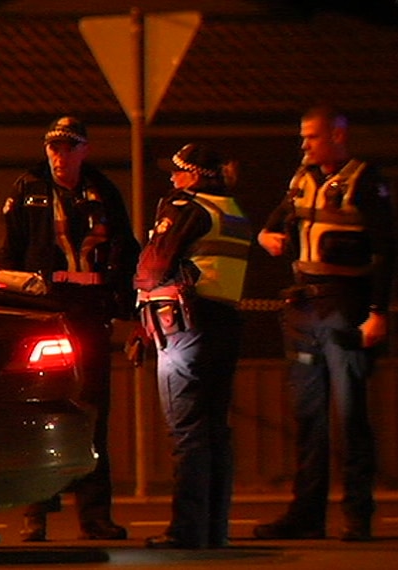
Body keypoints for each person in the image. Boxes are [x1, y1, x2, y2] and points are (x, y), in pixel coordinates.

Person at [0, 116, 140, 541]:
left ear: (84, 151)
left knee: (93, 412)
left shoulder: (103, 191)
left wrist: (124, 308)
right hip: (44, 314)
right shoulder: (27, 189)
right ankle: (35, 513)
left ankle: (95, 516)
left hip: (90, 315)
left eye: (67, 147)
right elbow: (8, 254)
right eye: (52, 147)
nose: (58, 156)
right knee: (41, 408)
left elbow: (125, 249)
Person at [253, 104, 394, 542]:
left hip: (345, 305)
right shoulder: (301, 178)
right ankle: (307, 514)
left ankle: (357, 513)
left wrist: (378, 312)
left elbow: (387, 250)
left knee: (351, 415)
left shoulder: (365, 180)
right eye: (303, 136)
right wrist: (266, 237)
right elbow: (271, 225)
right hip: (302, 307)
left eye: (311, 137)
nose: (304, 145)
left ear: (337, 136)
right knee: (308, 416)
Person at [132, 143, 251, 549]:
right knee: (216, 431)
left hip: (185, 326)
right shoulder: (232, 211)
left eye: (178, 172)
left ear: (196, 175)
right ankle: (214, 528)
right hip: (224, 325)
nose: (172, 178)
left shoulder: (187, 208)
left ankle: (186, 531)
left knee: (187, 432)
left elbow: (152, 269)